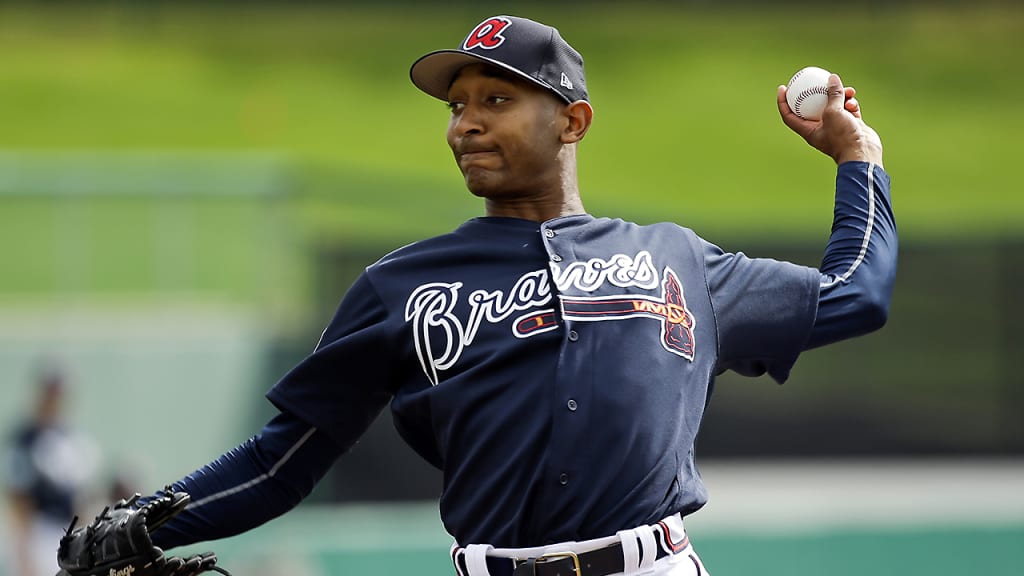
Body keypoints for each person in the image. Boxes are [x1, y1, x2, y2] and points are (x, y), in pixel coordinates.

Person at [64, 15, 896, 576]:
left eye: (497, 99)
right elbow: (283, 460)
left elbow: (856, 292)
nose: (466, 122)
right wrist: (145, 520)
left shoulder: (676, 260)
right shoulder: (402, 284)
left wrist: (859, 158)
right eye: (458, 105)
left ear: (573, 121)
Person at [6, 368, 97, 576]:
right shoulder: (25, 439)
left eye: (58, 393)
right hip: (39, 533)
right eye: (50, 392)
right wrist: (23, 554)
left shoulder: (72, 438)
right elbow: (18, 500)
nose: (54, 399)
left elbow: (82, 500)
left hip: (70, 533)